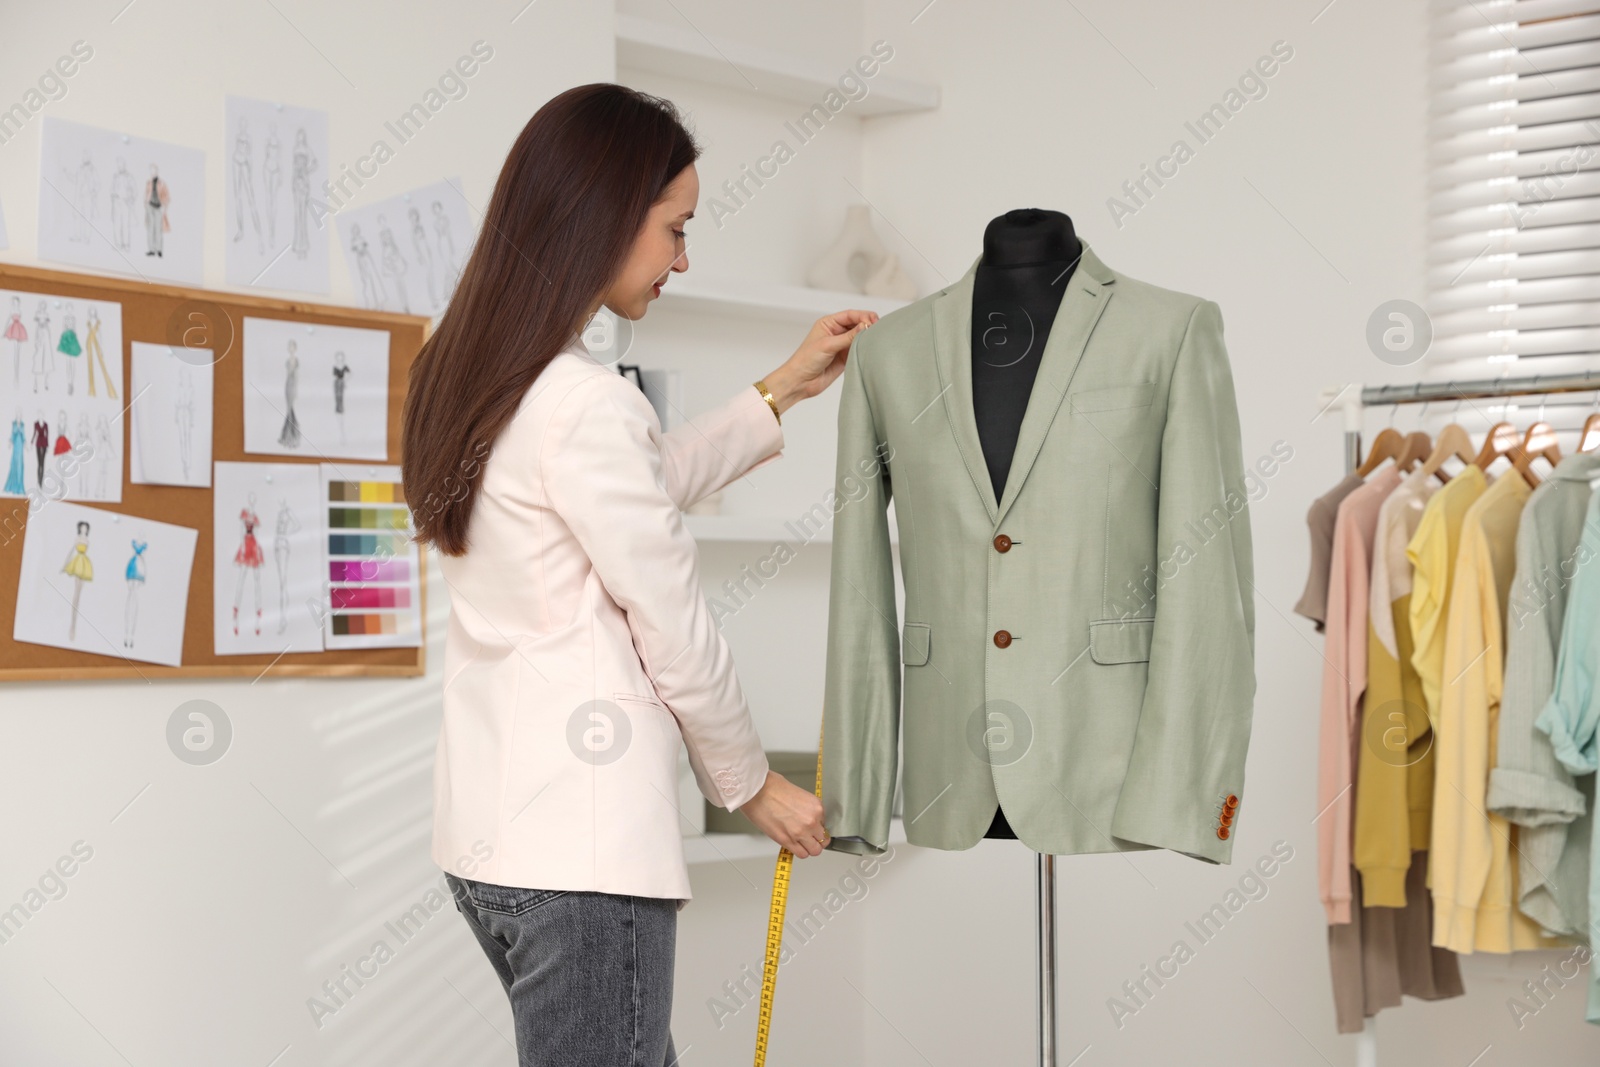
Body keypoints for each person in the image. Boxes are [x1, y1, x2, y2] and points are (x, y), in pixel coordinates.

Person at [402, 83, 875, 1066]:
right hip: (581, 854)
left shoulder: (474, 373)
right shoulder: (581, 401)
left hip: (491, 844)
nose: (683, 258)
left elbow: (638, 486)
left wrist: (779, 388)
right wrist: (751, 787)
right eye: (675, 228)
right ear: (605, 217)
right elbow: (677, 628)